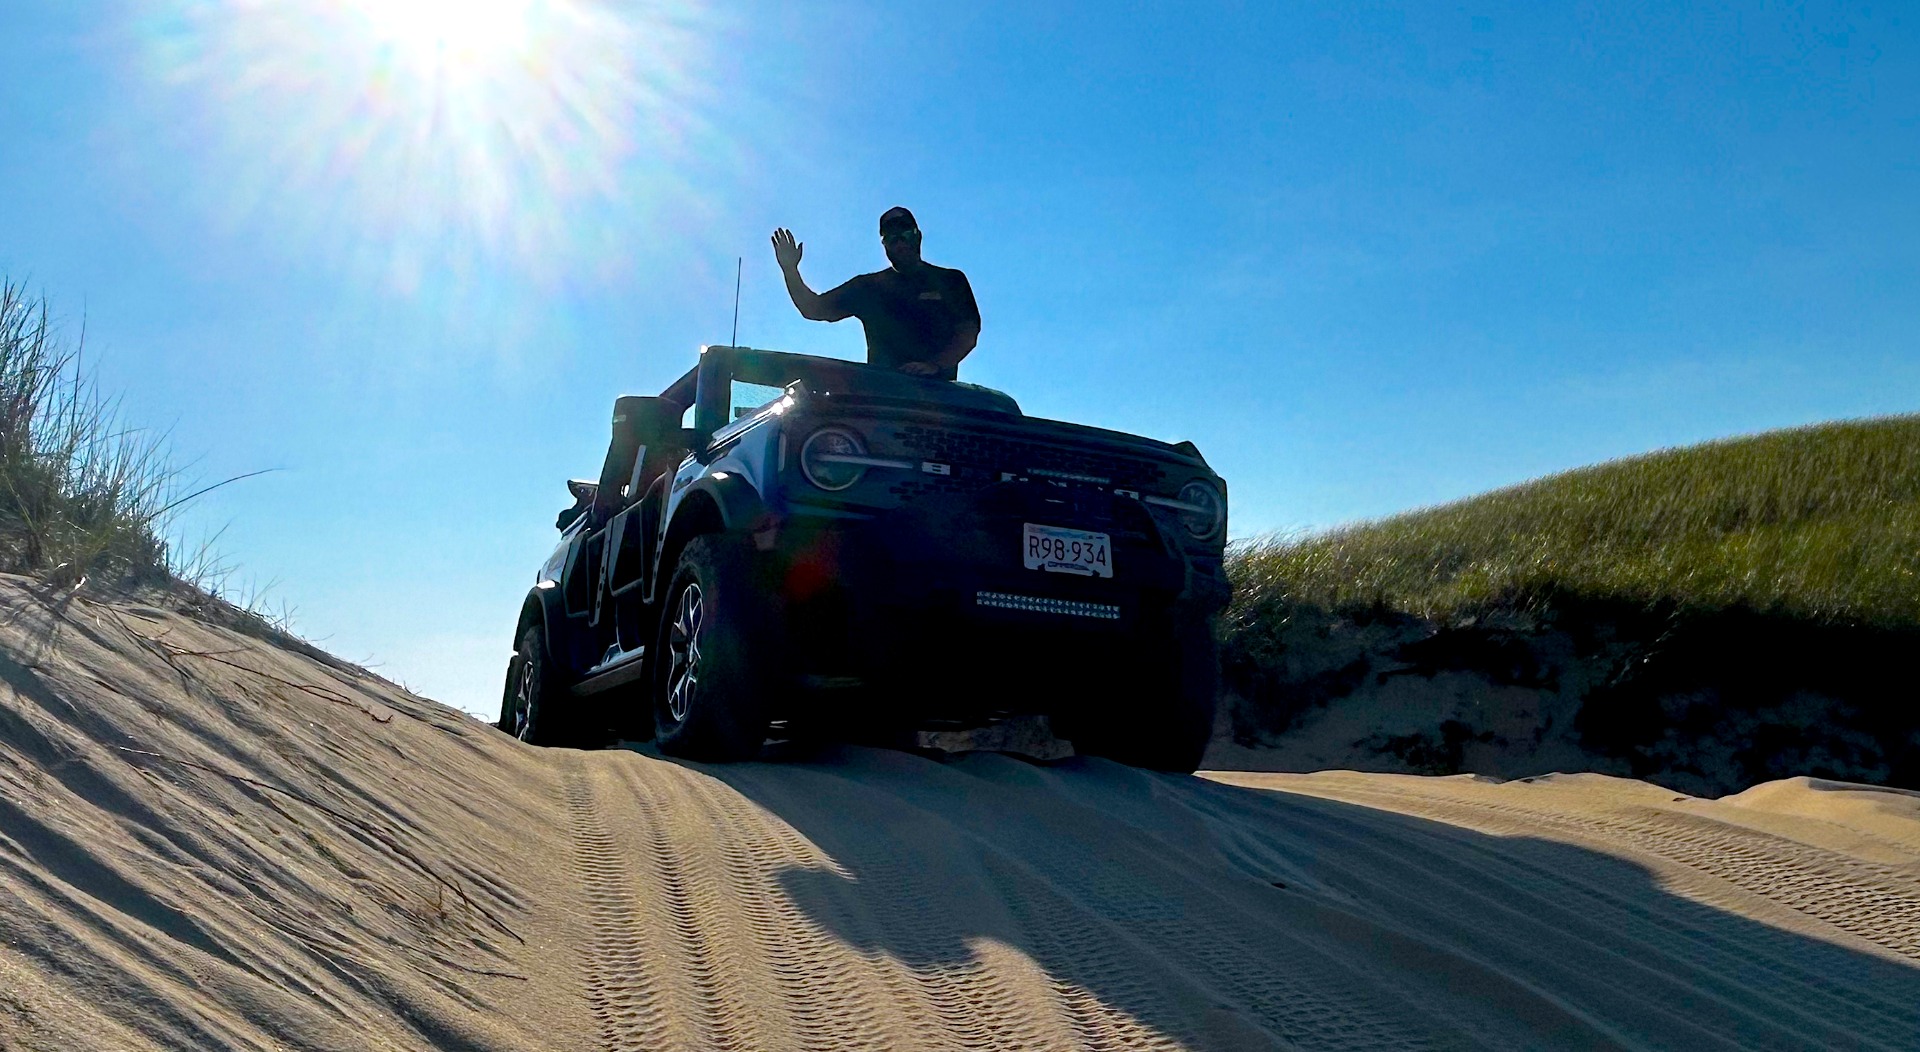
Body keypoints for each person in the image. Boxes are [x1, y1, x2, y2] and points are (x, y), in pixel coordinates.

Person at [771, 207, 980, 381]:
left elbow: (968, 332)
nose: (899, 242)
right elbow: (813, 308)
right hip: (883, 398)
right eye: (891, 238)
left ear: (918, 236)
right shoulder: (868, 287)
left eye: (904, 233)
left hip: (940, 397)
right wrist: (790, 270)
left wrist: (934, 365)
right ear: (885, 246)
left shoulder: (951, 281)